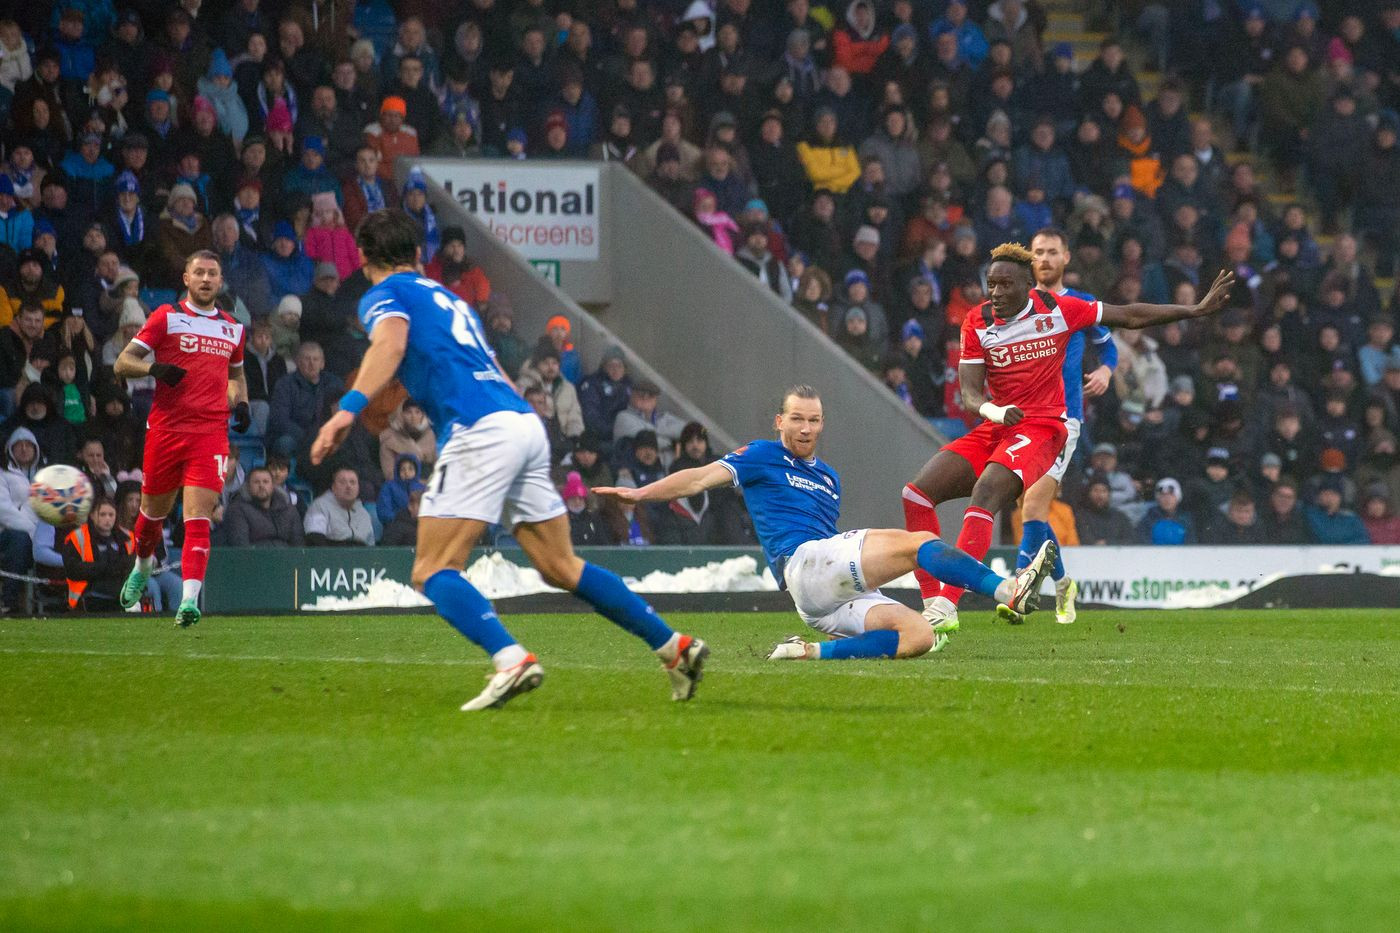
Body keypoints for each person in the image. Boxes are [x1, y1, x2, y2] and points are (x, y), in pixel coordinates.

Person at [310, 210, 709, 711]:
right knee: (561, 566)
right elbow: (492, 365)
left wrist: (346, 411)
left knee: (431, 569)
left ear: (364, 257)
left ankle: (509, 658)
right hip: (521, 421)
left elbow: (389, 345)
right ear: (417, 255)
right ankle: (674, 648)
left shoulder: (386, 295)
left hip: (480, 430)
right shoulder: (451, 298)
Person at [900, 242, 1234, 632]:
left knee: (995, 496)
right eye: (991, 284)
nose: (996, 293)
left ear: (1029, 285)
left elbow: (1129, 316)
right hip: (998, 424)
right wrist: (993, 410)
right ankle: (934, 600)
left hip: (1045, 426)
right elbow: (971, 393)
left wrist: (1191, 310)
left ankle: (947, 606)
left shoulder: (1060, 308)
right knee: (915, 495)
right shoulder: (977, 321)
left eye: (1006, 285)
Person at [597, 385, 1056, 661]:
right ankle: (1006, 590)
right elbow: (698, 479)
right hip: (804, 565)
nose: (805, 428)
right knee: (918, 542)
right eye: (796, 419)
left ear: (822, 424)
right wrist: (640, 494)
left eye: (813, 420)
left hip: (819, 601)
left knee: (917, 635)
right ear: (780, 420)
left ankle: (807, 652)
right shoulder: (760, 455)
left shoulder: (829, 477)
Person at [113, 251, 250, 627]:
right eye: (199, 273)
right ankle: (141, 567)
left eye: (213, 274)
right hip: (167, 430)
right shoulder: (166, 317)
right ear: (187, 279)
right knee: (150, 519)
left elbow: (236, 375)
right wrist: (154, 368)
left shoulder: (233, 329)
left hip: (210, 434)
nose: (206, 279)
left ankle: (189, 602)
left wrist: (242, 403)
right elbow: (122, 363)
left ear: (220, 281)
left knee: (198, 518)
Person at [1003, 228, 1118, 624]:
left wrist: (1106, 369)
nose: (1046, 259)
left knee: (1033, 505)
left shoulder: (1082, 304)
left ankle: (1019, 585)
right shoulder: (1017, 304)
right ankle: (1064, 582)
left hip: (1063, 418)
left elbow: (1109, 345)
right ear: (1029, 260)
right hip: (1021, 417)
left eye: (1053, 252)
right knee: (1028, 508)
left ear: (1066, 257)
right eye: (1038, 253)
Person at [60, 497, 134, 612]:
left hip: (121, 591)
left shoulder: (127, 537)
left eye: (111, 515)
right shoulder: (77, 537)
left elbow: (133, 563)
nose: (107, 519)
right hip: (88, 594)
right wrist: (105, 568)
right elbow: (72, 569)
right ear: (92, 516)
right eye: (102, 515)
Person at [222, 466, 304, 547]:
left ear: (273, 486)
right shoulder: (237, 510)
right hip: (254, 558)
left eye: (265, 482)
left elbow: (298, 545)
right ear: (248, 486)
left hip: (286, 559)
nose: (261, 485)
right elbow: (240, 546)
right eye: (256, 482)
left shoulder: (289, 509)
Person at [303, 467, 376, 546]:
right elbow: (314, 539)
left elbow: (371, 546)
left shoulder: (364, 514)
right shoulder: (320, 506)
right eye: (342, 482)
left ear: (358, 488)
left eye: (353, 482)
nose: (348, 486)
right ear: (333, 487)